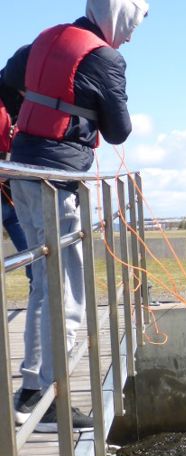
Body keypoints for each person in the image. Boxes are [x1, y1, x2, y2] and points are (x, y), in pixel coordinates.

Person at [3, 0, 149, 432]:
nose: (131, 35)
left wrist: (38, 108)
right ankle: (50, 402)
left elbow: (5, 82)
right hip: (57, 182)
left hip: (23, 173)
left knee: (43, 286)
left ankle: (32, 389)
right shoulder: (106, 58)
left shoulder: (44, 40)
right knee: (67, 292)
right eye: (132, 24)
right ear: (118, 16)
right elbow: (118, 130)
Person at [1, 83, 32, 283]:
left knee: (36, 259)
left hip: (12, 196)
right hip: (11, 195)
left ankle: (40, 310)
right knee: (35, 260)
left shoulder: (12, 105)